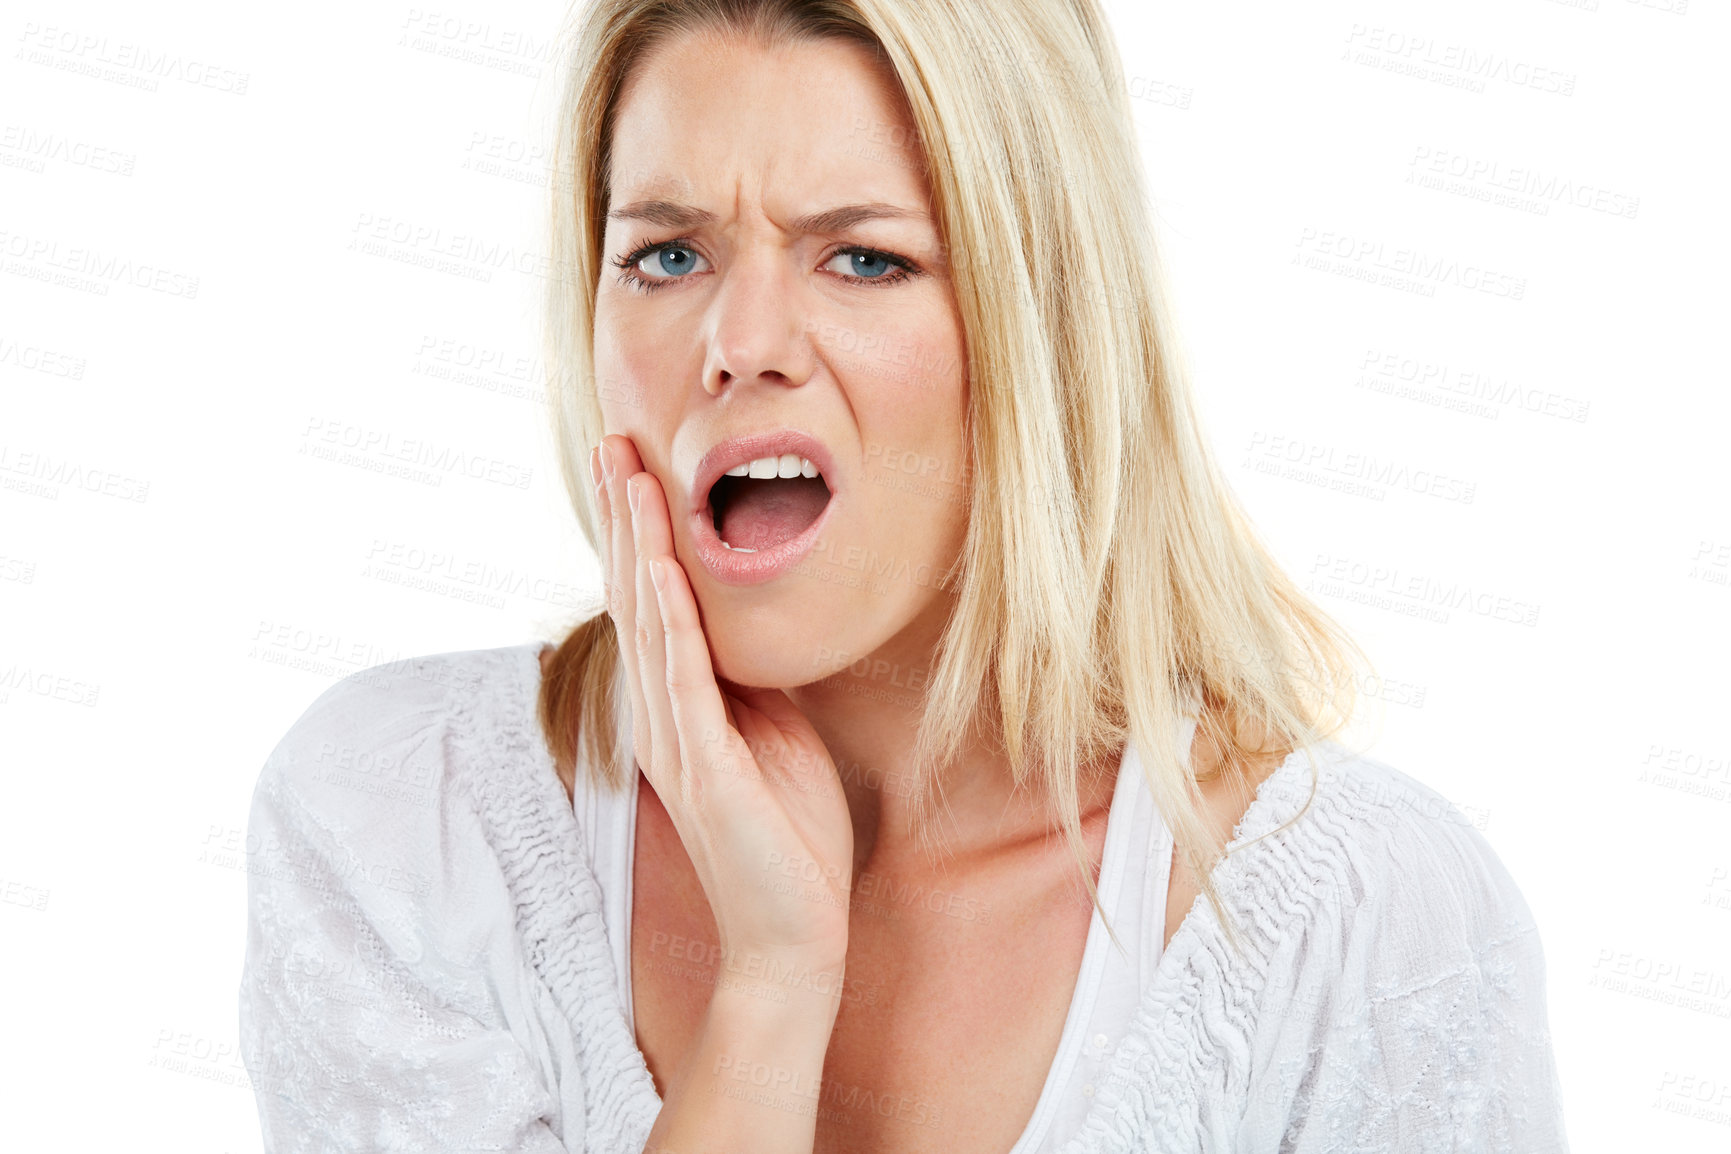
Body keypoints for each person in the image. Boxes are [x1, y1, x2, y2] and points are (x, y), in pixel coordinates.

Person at [238, 1, 1570, 1151]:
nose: (739, 341)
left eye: (864, 256)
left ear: (1040, 329)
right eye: (666, 252)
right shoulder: (409, 829)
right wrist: (769, 980)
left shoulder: (1368, 935)